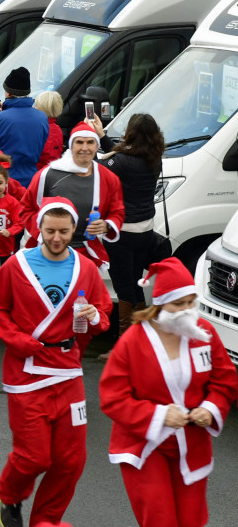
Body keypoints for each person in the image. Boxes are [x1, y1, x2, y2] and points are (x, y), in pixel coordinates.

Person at [98, 258, 236, 527]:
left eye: (191, 301)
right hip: (144, 447)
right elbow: (112, 397)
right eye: (179, 304)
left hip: (191, 447)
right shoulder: (133, 341)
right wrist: (160, 415)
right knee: (161, 525)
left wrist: (210, 408)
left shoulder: (203, 331)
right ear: (160, 305)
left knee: (190, 525)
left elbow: (224, 381)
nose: (188, 310)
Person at [0, 198, 111, 527]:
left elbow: (102, 314)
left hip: (67, 371)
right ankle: (10, 494)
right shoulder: (17, 265)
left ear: (74, 230)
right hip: (26, 373)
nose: (56, 238)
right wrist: (17, 340)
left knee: (71, 460)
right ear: (38, 229)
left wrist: (96, 316)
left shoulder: (86, 268)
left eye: (64, 231)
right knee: (34, 457)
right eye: (50, 231)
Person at [94, 112, 165, 354]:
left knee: (123, 285)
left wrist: (95, 146)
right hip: (145, 230)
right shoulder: (155, 159)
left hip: (121, 233)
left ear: (131, 133)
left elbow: (102, 168)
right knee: (135, 280)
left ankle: (124, 346)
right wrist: (103, 137)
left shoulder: (122, 160)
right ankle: (143, 335)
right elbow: (122, 156)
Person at [18, 121, 124, 270]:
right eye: (79, 142)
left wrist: (107, 225)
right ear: (71, 145)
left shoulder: (108, 178)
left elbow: (117, 211)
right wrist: (46, 232)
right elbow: (25, 209)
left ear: (97, 145)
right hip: (47, 250)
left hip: (86, 253)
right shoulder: (48, 174)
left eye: (90, 142)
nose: (85, 148)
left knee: (82, 293)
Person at [0, 67, 49, 187]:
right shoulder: (42, 117)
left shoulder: (0, 119)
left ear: (8, 93)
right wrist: (6, 111)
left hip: (2, 181)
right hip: (30, 181)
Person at [34, 90, 65, 170]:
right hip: (52, 171)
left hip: (37, 173)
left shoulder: (37, 128)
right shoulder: (57, 129)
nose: (34, 107)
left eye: (36, 105)